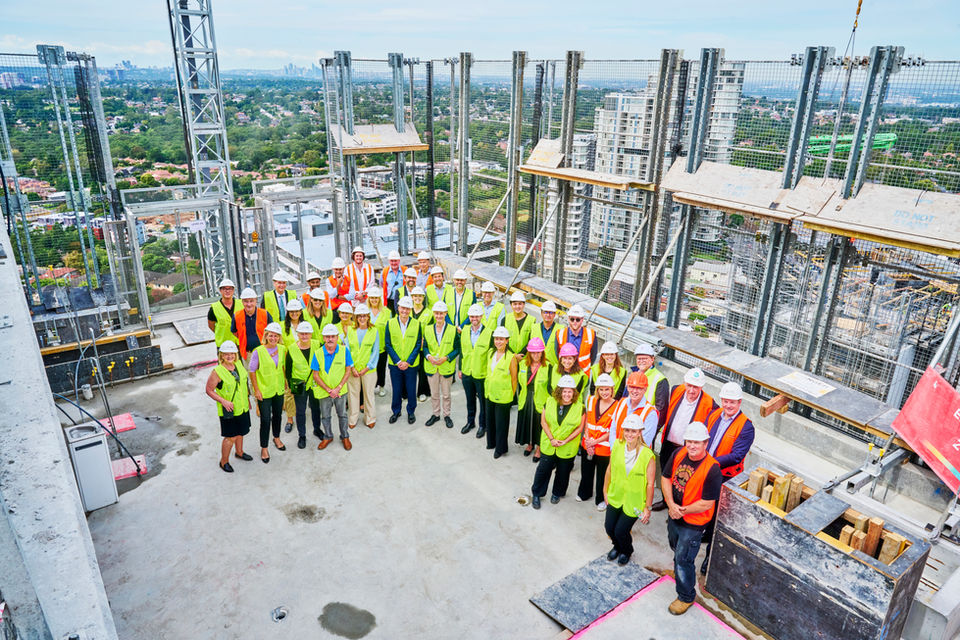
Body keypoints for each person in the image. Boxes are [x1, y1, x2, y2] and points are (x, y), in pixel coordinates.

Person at [662, 422, 722, 616]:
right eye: (689, 441)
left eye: (697, 442)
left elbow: (706, 503)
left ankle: (686, 596)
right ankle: (681, 572)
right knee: (675, 548)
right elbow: (665, 478)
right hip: (675, 515)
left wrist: (682, 510)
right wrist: (671, 505)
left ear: (706, 443)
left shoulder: (712, 469)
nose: (692, 446)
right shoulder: (678, 454)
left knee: (684, 558)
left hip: (693, 524)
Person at [603, 413, 656, 565]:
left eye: (633, 431)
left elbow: (650, 484)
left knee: (621, 530)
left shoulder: (648, 455)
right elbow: (609, 470)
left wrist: (648, 507)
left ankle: (626, 550)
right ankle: (617, 546)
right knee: (609, 528)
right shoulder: (617, 447)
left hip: (634, 501)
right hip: (616, 495)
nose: (629, 434)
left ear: (640, 432)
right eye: (627, 430)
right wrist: (605, 491)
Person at [531, 375, 586, 508]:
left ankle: (557, 493)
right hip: (549, 443)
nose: (567, 394)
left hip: (567, 446)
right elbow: (543, 421)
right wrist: (551, 438)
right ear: (559, 391)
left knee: (563, 471)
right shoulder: (549, 401)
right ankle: (537, 494)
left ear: (574, 392)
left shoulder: (580, 407)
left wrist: (565, 440)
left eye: (570, 391)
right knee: (543, 469)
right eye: (564, 391)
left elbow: (580, 428)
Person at [205, 341, 252, 472]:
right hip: (229, 410)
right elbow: (209, 390)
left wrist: (247, 399)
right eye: (226, 354)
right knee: (231, 437)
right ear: (221, 355)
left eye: (232, 353)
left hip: (242, 407)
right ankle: (223, 461)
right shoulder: (217, 372)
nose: (230, 356)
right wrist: (223, 401)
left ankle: (240, 452)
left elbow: (243, 384)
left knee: (241, 432)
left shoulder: (238, 365)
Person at [578, 373, 618, 509]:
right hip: (588, 443)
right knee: (586, 470)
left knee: (602, 476)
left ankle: (601, 499)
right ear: (597, 390)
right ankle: (584, 493)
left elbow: (612, 431)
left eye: (607, 389)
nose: (604, 392)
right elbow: (587, 421)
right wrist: (588, 440)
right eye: (601, 389)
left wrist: (594, 443)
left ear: (612, 389)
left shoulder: (617, 406)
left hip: (603, 448)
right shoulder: (590, 400)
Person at [248, 322, 286, 462]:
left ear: (279, 337)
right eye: (271, 335)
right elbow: (252, 371)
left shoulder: (282, 349)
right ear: (266, 336)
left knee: (278, 415)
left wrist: (286, 383)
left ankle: (276, 438)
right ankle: (264, 448)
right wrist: (256, 390)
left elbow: (282, 367)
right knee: (265, 420)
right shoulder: (258, 351)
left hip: (278, 389)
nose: (273, 338)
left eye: (276, 336)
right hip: (264, 391)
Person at [311, 324, 353, 451]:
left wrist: (338, 388)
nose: (330, 339)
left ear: (337, 338)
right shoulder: (318, 353)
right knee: (325, 416)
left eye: (333, 336)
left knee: (343, 415)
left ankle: (345, 436)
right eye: (327, 337)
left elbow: (348, 371)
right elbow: (315, 375)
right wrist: (329, 390)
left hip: (340, 391)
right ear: (323, 338)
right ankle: (328, 436)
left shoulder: (344, 350)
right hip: (325, 392)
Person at [386, 296, 422, 424]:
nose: (405, 311)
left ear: (410, 309)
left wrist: (408, 362)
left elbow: (418, 344)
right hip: (395, 365)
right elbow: (388, 344)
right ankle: (396, 411)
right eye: (403, 308)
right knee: (396, 389)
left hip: (411, 365)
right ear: (398, 308)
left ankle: (411, 411)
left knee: (411, 389)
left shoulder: (417, 324)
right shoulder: (390, 323)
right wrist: (398, 361)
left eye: (407, 309)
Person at [458, 303, 492, 437]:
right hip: (467, 372)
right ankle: (470, 422)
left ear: (481, 316)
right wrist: (460, 368)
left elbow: (490, 356)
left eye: (477, 316)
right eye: (472, 316)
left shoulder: (489, 333)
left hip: (481, 374)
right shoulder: (465, 330)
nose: (474, 319)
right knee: (469, 400)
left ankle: (482, 425)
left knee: (483, 402)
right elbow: (463, 351)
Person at [423, 301, 459, 428]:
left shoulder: (452, 329)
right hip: (431, 366)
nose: (439, 316)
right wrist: (428, 356)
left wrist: (446, 358)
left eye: (441, 313)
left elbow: (457, 348)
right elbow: (425, 347)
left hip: (446, 367)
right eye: (436, 313)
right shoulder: (427, 329)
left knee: (446, 394)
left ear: (445, 313)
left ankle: (447, 415)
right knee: (434, 394)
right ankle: (436, 414)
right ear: (434, 314)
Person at [285, 322, 320, 449]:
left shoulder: (317, 345)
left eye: (306, 333)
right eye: (301, 333)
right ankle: (302, 435)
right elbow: (288, 370)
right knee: (300, 411)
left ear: (311, 334)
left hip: (314, 383)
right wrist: (291, 387)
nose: (304, 336)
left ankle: (317, 429)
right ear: (298, 334)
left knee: (316, 408)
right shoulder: (292, 349)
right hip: (298, 384)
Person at [485, 326, 517, 458]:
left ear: (507, 341)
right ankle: (491, 442)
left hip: (503, 396)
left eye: (501, 339)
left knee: (501, 424)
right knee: (490, 420)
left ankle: (500, 448)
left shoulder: (511, 357)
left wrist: (510, 394)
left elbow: (514, 379)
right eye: (497, 339)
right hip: (490, 392)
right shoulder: (490, 353)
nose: (499, 342)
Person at [516, 337, 550, 459]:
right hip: (526, 399)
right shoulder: (523, 364)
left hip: (540, 400)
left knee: (538, 425)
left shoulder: (548, 367)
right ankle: (529, 444)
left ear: (542, 352)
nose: (536, 355)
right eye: (533, 352)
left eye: (538, 352)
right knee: (527, 422)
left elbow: (551, 387)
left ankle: (538, 449)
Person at [346, 304, 379, 430]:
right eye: (359, 316)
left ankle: (370, 418)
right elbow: (347, 350)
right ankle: (353, 418)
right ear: (356, 317)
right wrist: (352, 367)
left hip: (368, 369)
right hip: (353, 369)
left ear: (368, 317)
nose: (362, 318)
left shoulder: (374, 331)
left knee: (369, 394)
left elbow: (375, 352)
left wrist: (367, 367)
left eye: (364, 316)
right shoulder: (350, 330)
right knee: (353, 394)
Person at [611, 372, 659, 449]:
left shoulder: (650, 413)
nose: (634, 391)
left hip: (635, 458)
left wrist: (626, 456)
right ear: (627, 387)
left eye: (639, 388)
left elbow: (645, 442)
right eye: (632, 387)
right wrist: (614, 450)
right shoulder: (622, 402)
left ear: (645, 389)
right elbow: (613, 429)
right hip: (616, 453)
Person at [633, 343, 669, 433]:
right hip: (630, 424)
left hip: (646, 428)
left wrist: (652, 430)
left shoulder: (660, 379)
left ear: (652, 359)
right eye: (639, 358)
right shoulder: (633, 375)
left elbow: (661, 410)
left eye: (645, 358)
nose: (641, 361)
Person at [280, 300, 304, 433]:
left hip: (303, 363)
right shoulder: (282, 327)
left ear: (301, 312)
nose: (294, 313)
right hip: (289, 363)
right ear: (288, 312)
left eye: (297, 311)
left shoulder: (305, 325)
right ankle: (290, 419)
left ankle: (300, 413)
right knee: (288, 391)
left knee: (301, 390)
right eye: (292, 311)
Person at [231, 288, 271, 360]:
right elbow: (234, 332)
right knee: (249, 371)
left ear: (256, 301)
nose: (249, 304)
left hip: (265, 352)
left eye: (251, 301)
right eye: (246, 301)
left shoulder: (264, 314)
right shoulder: (237, 316)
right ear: (242, 302)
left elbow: (272, 331)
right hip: (247, 354)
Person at [555, 304, 598, 372]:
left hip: (583, 375)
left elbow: (593, 356)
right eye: (572, 319)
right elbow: (557, 354)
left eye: (577, 319)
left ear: (582, 319)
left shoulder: (591, 334)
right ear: (568, 319)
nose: (575, 322)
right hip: (566, 374)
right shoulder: (560, 334)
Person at [366, 287, 392, 397]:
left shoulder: (387, 312)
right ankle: (371, 387)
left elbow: (390, 328)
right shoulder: (365, 311)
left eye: (376, 298)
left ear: (379, 299)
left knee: (381, 367)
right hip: (368, 346)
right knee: (370, 367)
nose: (374, 300)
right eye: (372, 298)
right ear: (369, 299)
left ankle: (381, 386)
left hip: (382, 345)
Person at [410, 287, 432, 403]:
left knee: (423, 370)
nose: (417, 298)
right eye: (415, 296)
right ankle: (409, 392)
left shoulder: (429, 313)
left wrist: (426, 340)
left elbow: (431, 330)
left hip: (423, 346)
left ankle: (422, 392)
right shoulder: (407, 311)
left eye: (420, 296)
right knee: (411, 369)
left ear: (423, 297)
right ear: (412, 297)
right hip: (410, 346)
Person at [207, 278, 238, 349]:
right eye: (224, 289)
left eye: (230, 289)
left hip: (239, 342)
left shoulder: (241, 304)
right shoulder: (214, 308)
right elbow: (211, 325)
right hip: (223, 344)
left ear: (233, 290)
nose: (227, 291)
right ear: (220, 291)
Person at [502, 291, 533, 356]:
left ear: (524, 304)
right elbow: (502, 340)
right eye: (515, 304)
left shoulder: (531, 320)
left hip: (525, 359)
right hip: (509, 357)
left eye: (520, 304)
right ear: (511, 305)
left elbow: (531, 341)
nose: (517, 306)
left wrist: (521, 355)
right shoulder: (505, 319)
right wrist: (513, 355)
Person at [536, 300, 561, 366]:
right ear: (541, 313)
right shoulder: (534, 328)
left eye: (551, 313)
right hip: (537, 368)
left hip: (554, 368)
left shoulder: (561, 330)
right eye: (545, 312)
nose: (548, 315)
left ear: (554, 314)